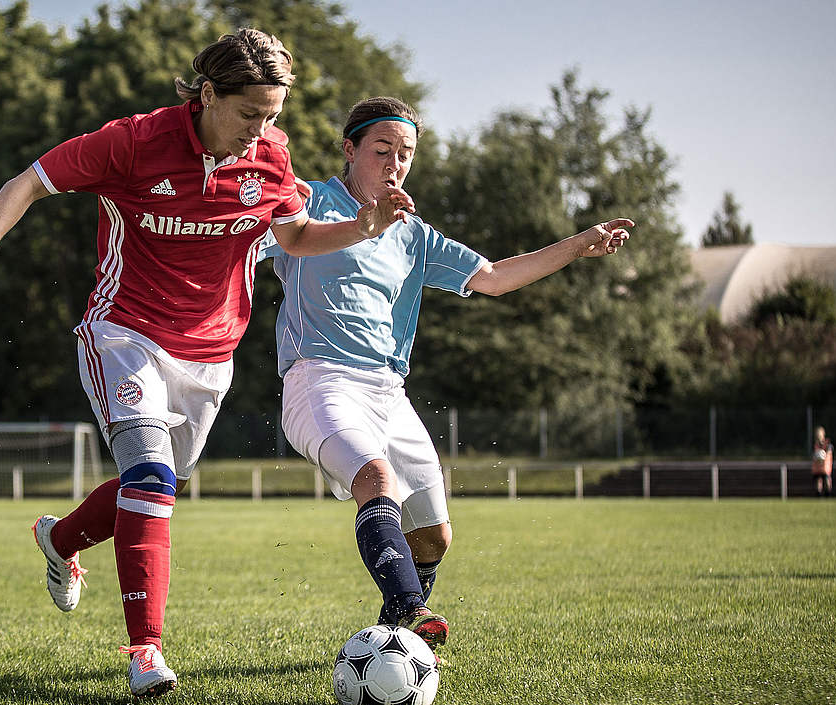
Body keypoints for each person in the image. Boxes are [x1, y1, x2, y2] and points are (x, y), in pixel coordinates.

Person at [0, 30, 412, 698]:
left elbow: (296, 236)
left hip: (211, 355)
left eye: (273, 115)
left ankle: (61, 540)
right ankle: (145, 653)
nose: (262, 130)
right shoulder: (133, 143)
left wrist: (365, 226)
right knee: (153, 477)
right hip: (124, 334)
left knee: (156, 489)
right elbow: (29, 183)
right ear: (208, 93)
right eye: (250, 113)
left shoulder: (271, 159)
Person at [262, 96, 635, 652]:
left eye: (406, 154)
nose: (395, 164)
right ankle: (412, 611)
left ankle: (392, 631)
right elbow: (237, 239)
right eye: (382, 149)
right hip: (320, 381)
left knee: (435, 536)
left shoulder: (414, 234)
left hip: (389, 394)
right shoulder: (307, 201)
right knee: (375, 479)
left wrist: (579, 245)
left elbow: (494, 278)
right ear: (350, 149)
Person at [812, 426, 833, 497]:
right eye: (817, 434)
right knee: (818, 481)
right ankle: (818, 496)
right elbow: (814, 455)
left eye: (820, 434)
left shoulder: (827, 444)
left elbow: (829, 451)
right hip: (817, 468)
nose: (818, 435)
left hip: (825, 467)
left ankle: (828, 495)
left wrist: (824, 455)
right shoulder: (815, 444)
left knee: (827, 481)